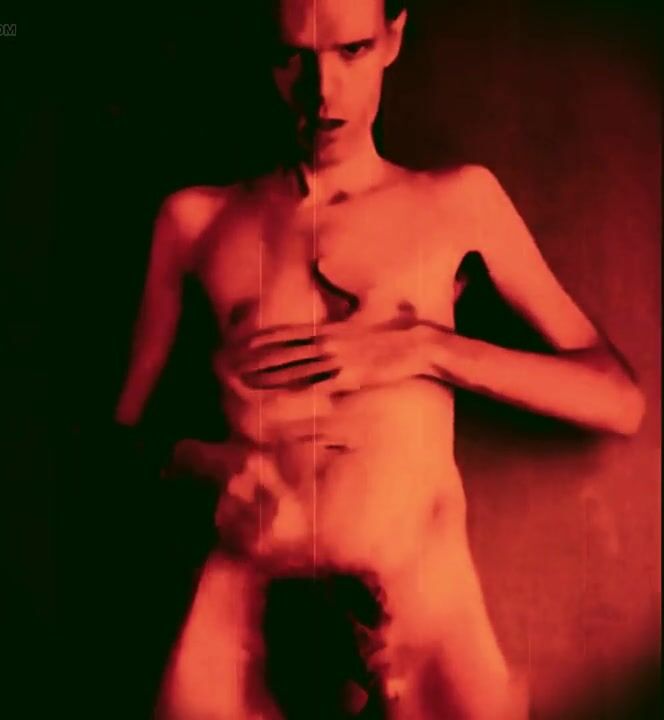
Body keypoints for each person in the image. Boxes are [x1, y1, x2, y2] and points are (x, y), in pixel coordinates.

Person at [114, 0, 646, 717]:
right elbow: (122, 441)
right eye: (292, 57)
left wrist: (422, 346)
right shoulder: (195, 220)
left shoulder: (457, 201)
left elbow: (617, 400)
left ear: (394, 36)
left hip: (420, 605)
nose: (322, 90)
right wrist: (204, 462)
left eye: (352, 50)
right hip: (244, 604)